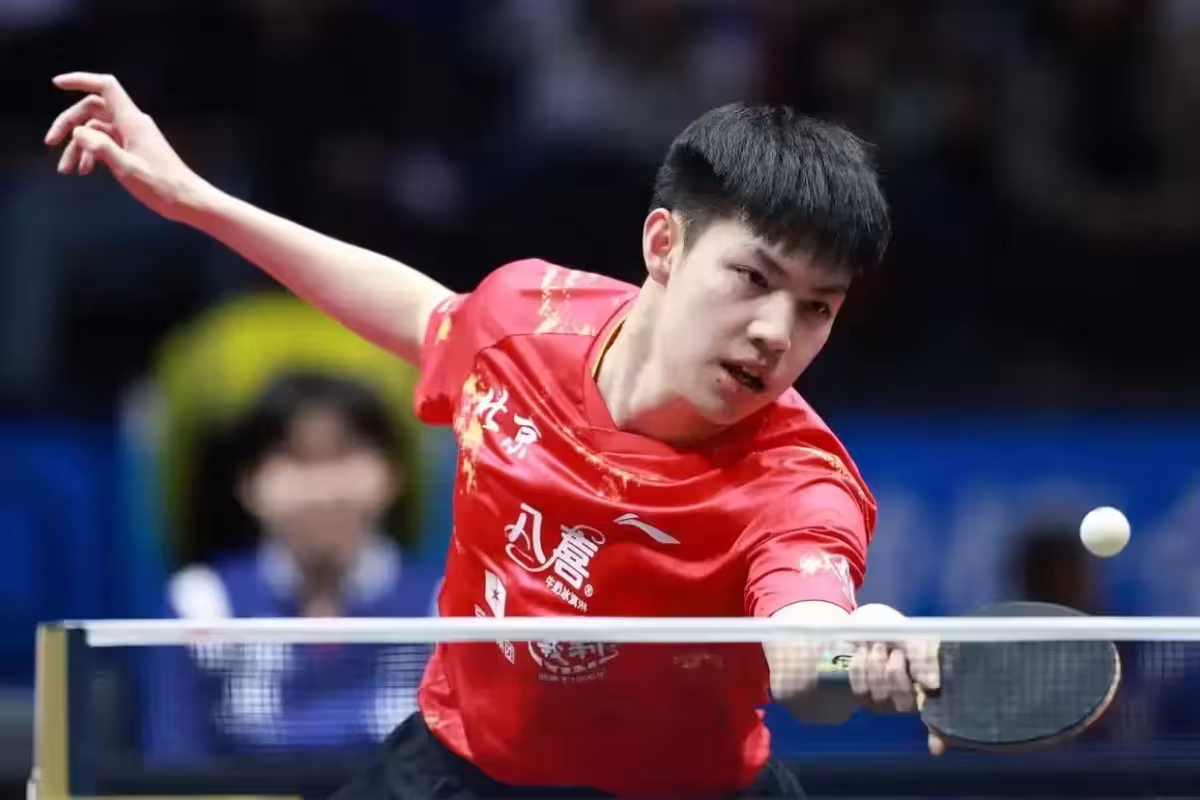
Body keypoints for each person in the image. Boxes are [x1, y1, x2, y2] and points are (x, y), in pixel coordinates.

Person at [46, 73, 940, 798]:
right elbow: (421, 313)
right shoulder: (525, 317)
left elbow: (803, 650)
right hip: (459, 768)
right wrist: (195, 200)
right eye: (753, 278)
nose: (777, 333)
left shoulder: (800, 483)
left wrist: (853, 647)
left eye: (817, 308)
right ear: (664, 245)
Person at [142, 371, 442, 764]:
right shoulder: (201, 605)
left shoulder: (443, 609)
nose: (323, 488)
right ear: (248, 483)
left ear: (393, 475)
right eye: (297, 459)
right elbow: (174, 765)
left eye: (344, 454)